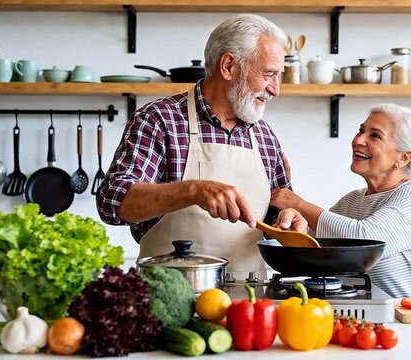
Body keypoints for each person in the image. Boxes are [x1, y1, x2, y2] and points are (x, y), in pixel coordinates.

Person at [96, 14, 291, 279]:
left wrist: (290, 220)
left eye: (278, 76)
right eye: (269, 74)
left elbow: (281, 208)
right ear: (228, 66)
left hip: (249, 302)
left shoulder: (265, 135)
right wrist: (193, 190)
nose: (276, 90)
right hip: (169, 297)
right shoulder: (159, 120)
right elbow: (112, 202)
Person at [270, 104, 411, 298]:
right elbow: (312, 243)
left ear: (403, 158)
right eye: (361, 131)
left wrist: (296, 204)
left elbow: (365, 240)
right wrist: (291, 218)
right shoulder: (351, 202)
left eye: (375, 136)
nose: (358, 140)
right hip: (376, 318)